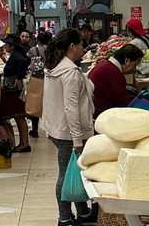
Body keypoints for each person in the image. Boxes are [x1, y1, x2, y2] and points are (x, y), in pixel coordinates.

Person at [42, 28, 96, 226]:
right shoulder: (70, 72)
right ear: (72, 46)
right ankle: (64, 218)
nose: (83, 48)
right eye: (81, 44)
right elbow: (71, 108)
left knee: (75, 170)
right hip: (68, 131)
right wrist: (77, 139)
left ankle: (82, 212)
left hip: (56, 127)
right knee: (66, 174)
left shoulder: (54, 67)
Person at [88, 44, 144, 118]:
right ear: (127, 60)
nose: (134, 69)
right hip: (102, 114)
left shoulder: (106, 66)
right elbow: (122, 102)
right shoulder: (114, 72)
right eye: (135, 65)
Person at [0, 34, 31, 152]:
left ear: (12, 46)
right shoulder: (16, 54)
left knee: (19, 117)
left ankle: (24, 143)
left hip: (14, 91)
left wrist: (19, 77)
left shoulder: (16, 55)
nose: (4, 47)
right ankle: (23, 143)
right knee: (19, 117)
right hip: (13, 90)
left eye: (6, 44)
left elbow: (24, 61)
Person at [26, 30, 52, 138]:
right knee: (49, 104)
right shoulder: (52, 51)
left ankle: (35, 129)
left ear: (39, 40)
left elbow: (26, 60)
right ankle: (51, 130)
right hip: (49, 78)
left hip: (36, 79)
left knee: (35, 103)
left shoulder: (34, 50)